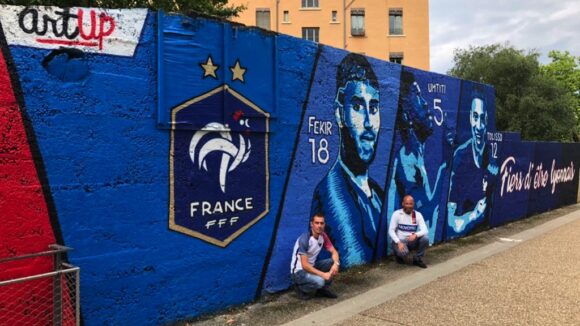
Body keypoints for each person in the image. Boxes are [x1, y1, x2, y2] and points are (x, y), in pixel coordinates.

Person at [310, 53, 383, 266]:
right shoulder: (332, 192)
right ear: (340, 113)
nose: (369, 123)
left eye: (374, 107)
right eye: (358, 107)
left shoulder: (377, 192)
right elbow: (354, 261)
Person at [387, 70, 451, 245]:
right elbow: (429, 215)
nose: (425, 104)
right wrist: (447, 161)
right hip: (402, 241)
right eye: (417, 96)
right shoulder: (408, 162)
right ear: (407, 113)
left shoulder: (416, 156)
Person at [447, 96, 498, 236]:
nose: (479, 126)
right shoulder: (460, 157)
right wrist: (474, 215)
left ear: (487, 119)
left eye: (482, 118)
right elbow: (450, 222)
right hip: (466, 235)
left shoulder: (492, 154)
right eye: (475, 117)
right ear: (470, 117)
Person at [290, 213, 340, 299]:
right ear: (311, 224)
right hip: (299, 272)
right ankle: (301, 289)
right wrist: (323, 274)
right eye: (317, 223)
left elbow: (334, 252)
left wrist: (336, 264)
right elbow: (305, 265)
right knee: (320, 281)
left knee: (332, 261)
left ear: (324, 224)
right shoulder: (305, 239)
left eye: (321, 223)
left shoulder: (323, 236)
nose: (319, 226)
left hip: (311, 267)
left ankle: (321, 290)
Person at [389, 195, 429, 268]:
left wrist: (416, 235)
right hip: (400, 241)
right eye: (407, 203)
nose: (409, 206)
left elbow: (425, 230)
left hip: (411, 241)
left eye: (411, 204)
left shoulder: (417, 215)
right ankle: (398, 255)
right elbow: (391, 230)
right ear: (403, 204)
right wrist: (399, 242)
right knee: (404, 253)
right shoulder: (397, 214)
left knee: (425, 238)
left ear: (413, 204)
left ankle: (417, 259)